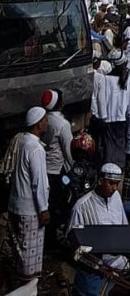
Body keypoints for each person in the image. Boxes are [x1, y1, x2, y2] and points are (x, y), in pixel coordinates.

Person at [70, 164, 128, 296]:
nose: (115, 188)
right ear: (101, 181)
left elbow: (124, 227)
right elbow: (74, 244)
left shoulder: (116, 198)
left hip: (118, 266)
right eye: (111, 183)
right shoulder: (81, 206)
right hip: (94, 271)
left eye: (117, 184)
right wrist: (98, 265)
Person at [8, 107, 50, 284]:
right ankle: (28, 287)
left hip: (15, 205)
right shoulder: (36, 149)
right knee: (29, 258)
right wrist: (43, 209)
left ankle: (17, 283)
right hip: (30, 209)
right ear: (39, 123)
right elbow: (38, 182)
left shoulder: (22, 141)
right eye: (45, 120)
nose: (47, 123)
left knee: (19, 250)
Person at [40, 89, 74, 246]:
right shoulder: (63, 124)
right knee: (58, 203)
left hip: (44, 166)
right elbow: (68, 149)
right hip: (57, 169)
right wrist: (73, 166)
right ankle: (53, 238)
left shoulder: (44, 119)